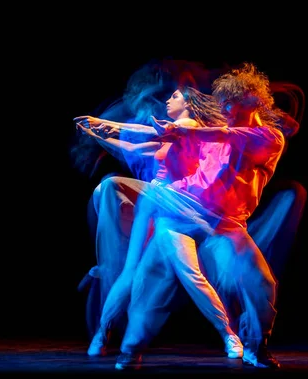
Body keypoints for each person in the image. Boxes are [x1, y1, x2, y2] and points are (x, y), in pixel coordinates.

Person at [115, 62, 299, 370]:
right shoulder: (213, 133)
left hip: (226, 225)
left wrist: (191, 131)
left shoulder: (267, 138)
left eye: (231, 102)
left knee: (261, 282)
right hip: (180, 212)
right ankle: (131, 349)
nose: (224, 107)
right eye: (223, 102)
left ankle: (256, 346)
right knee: (154, 278)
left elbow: (228, 134)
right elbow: (189, 138)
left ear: (251, 101)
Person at [74, 86, 244, 359]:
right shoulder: (172, 134)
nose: (168, 100)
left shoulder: (187, 125)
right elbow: (131, 146)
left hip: (175, 209)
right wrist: (97, 134)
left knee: (188, 273)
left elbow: (144, 131)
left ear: (190, 105)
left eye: (175, 96)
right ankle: (101, 333)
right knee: (132, 271)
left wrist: (104, 123)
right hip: (155, 200)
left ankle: (228, 334)